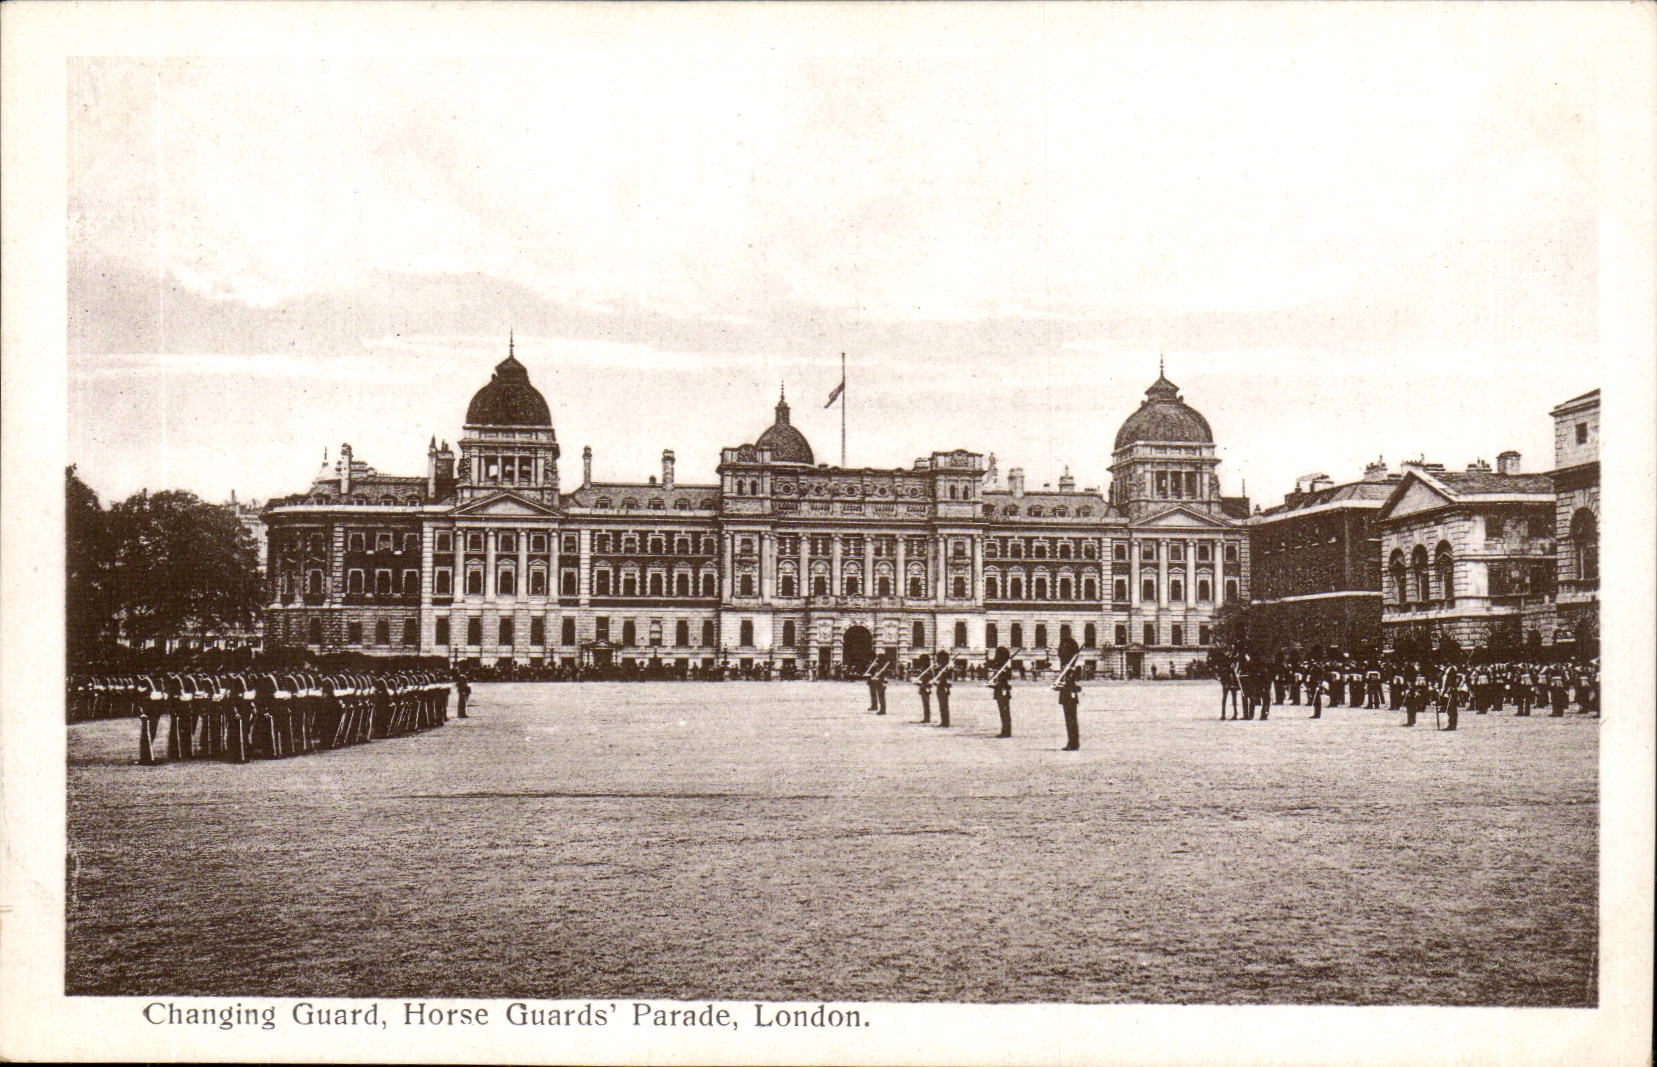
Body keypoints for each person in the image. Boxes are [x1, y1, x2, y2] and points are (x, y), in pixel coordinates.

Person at [1055, 637, 1082, 750]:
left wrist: (1065, 686)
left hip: (1070, 696)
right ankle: (1071, 742)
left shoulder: (1074, 668)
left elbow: (1076, 685)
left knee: (1071, 720)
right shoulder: (1065, 668)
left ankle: (1074, 743)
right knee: (1069, 720)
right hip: (1066, 696)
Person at [989, 646, 1014, 738]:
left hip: (1003, 691)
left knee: (1004, 712)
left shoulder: (1005, 668)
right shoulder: (1000, 668)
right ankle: (1005, 730)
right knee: (1003, 712)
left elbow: (1005, 680)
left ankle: (1006, 731)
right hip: (1000, 691)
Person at [934, 650, 953, 727]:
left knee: (944, 705)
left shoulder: (948, 669)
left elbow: (949, 679)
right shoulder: (940, 668)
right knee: (941, 705)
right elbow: (937, 677)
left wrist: (947, 687)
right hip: (939, 687)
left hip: (944, 687)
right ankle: (943, 721)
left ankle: (946, 722)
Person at [915, 652, 933, 723]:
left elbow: (929, 680)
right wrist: (917, 683)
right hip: (923, 687)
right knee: (925, 703)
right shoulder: (924, 669)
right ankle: (926, 717)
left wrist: (928, 687)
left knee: (926, 703)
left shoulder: (928, 670)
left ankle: (927, 718)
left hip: (926, 688)